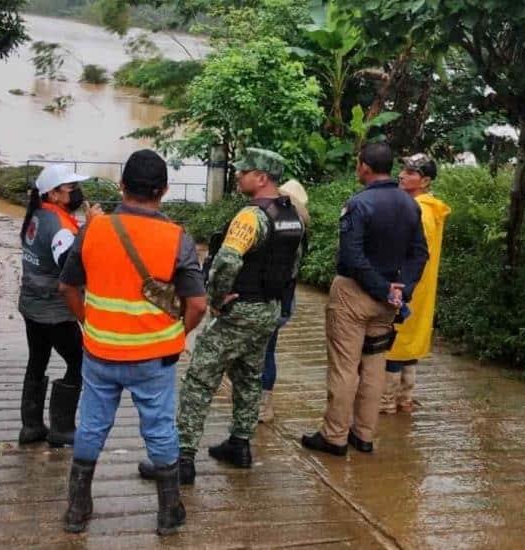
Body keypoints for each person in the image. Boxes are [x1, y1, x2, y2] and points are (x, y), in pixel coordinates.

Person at [58, 150, 207, 536]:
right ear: (165, 191)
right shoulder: (177, 238)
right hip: (154, 357)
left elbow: (68, 288)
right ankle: (168, 511)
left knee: (91, 425)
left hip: (100, 351)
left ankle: (77, 508)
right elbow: (198, 304)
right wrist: (178, 334)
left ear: (122, 185)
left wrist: (89, 323)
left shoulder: (94, 229)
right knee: (159, 429)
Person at [159, 148, 304, 483]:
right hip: (269, 309)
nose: (237, 176)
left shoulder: (250, 217)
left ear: (262, 177)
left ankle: (183, 457)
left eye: (243, 172)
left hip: (238, 310)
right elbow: (294, 265)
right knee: (250, 375)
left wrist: (216, 298)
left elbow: (226, 260)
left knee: (200, 377)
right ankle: (240, 444)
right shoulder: (290, 215)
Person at [302, 143, 428, 456]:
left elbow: (353, 256)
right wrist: (401, 288)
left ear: (365, 167)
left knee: (344, 367)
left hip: (354, 295)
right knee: (374, 366)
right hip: (388, 300)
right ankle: (364, 435)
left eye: (359, 164)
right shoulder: (411, 205)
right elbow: (420, 253)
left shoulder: (359, 204)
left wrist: (380, 288)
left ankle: (334, 437)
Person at [18, 163, 102, 447]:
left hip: (31, 304)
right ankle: (62, 428)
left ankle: (31, 427)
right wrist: (89, 227)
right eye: (71, 188)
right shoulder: (60, 226)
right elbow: (68, 267)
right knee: (79, 362)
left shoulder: (38, 215)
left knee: (37, 360)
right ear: (53, 194)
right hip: (54, 310)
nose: (77, 192)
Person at [381, 154, 451, 414]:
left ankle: (386, 401)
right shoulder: (430, 209)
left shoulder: (419, 212)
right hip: (421, 291)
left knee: (394, 345)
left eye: (410, 172)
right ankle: (404, 398)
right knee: (409, 344)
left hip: (407, 288)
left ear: (425, 180)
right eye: (403, 169)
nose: (402, 174)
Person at [258, 179, 310, 423]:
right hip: (285, 298)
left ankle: (256, 405)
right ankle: (264, 404)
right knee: (269, 350)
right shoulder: (299, 228)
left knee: (259, 352)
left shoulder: (275, 223)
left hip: (265, 298)